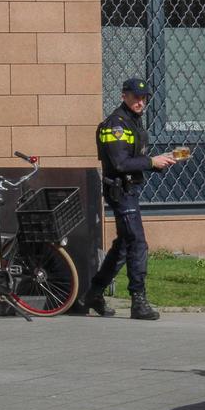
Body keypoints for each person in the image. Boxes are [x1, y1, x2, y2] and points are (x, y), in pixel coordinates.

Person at [76, 78, 176, 320]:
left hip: (129, 190)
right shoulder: (115, 125)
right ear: (124, 96)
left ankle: (94, 294)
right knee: (137, 243)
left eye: (144, 98)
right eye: (135, 97)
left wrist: (160, 161)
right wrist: (152, 162)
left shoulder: (133, 121)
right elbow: (120, 163)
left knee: (123, 246)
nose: (140, 102)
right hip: (120, 192)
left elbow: (133, 160)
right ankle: (138, 301)